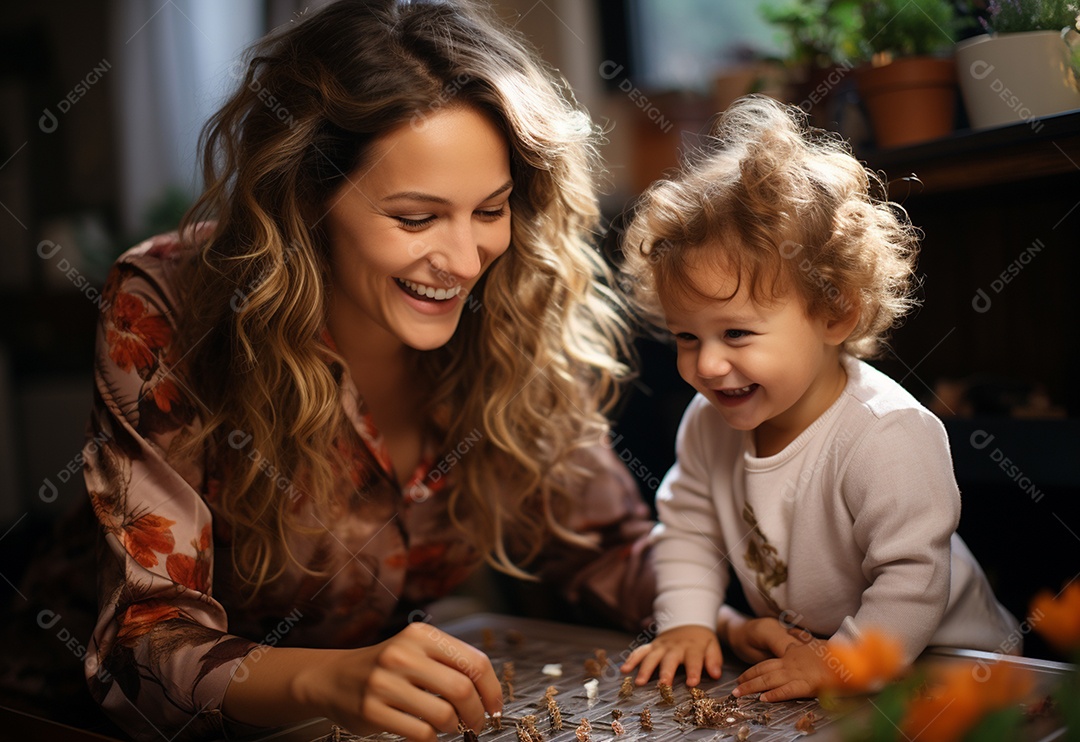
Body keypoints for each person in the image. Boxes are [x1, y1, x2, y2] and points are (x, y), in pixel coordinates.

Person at [10, 1, 658, 740]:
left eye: (491, 209)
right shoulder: (168, 306)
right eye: (416, 218)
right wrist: (332, 677)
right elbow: (145, 642)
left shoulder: (513, 302)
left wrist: (725, 618)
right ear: (308, 197)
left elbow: (606, 547)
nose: (465, 259)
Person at [618, 95, 1019, 702]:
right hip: (827, 659)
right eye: (685, 336)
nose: (706, 364)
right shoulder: (707, 423)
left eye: (737, 333)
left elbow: (912, 577)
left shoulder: (887, 434)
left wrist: (843, 663)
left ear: (835, 314)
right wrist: (689, 624)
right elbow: (688, 532)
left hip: (959, 672)